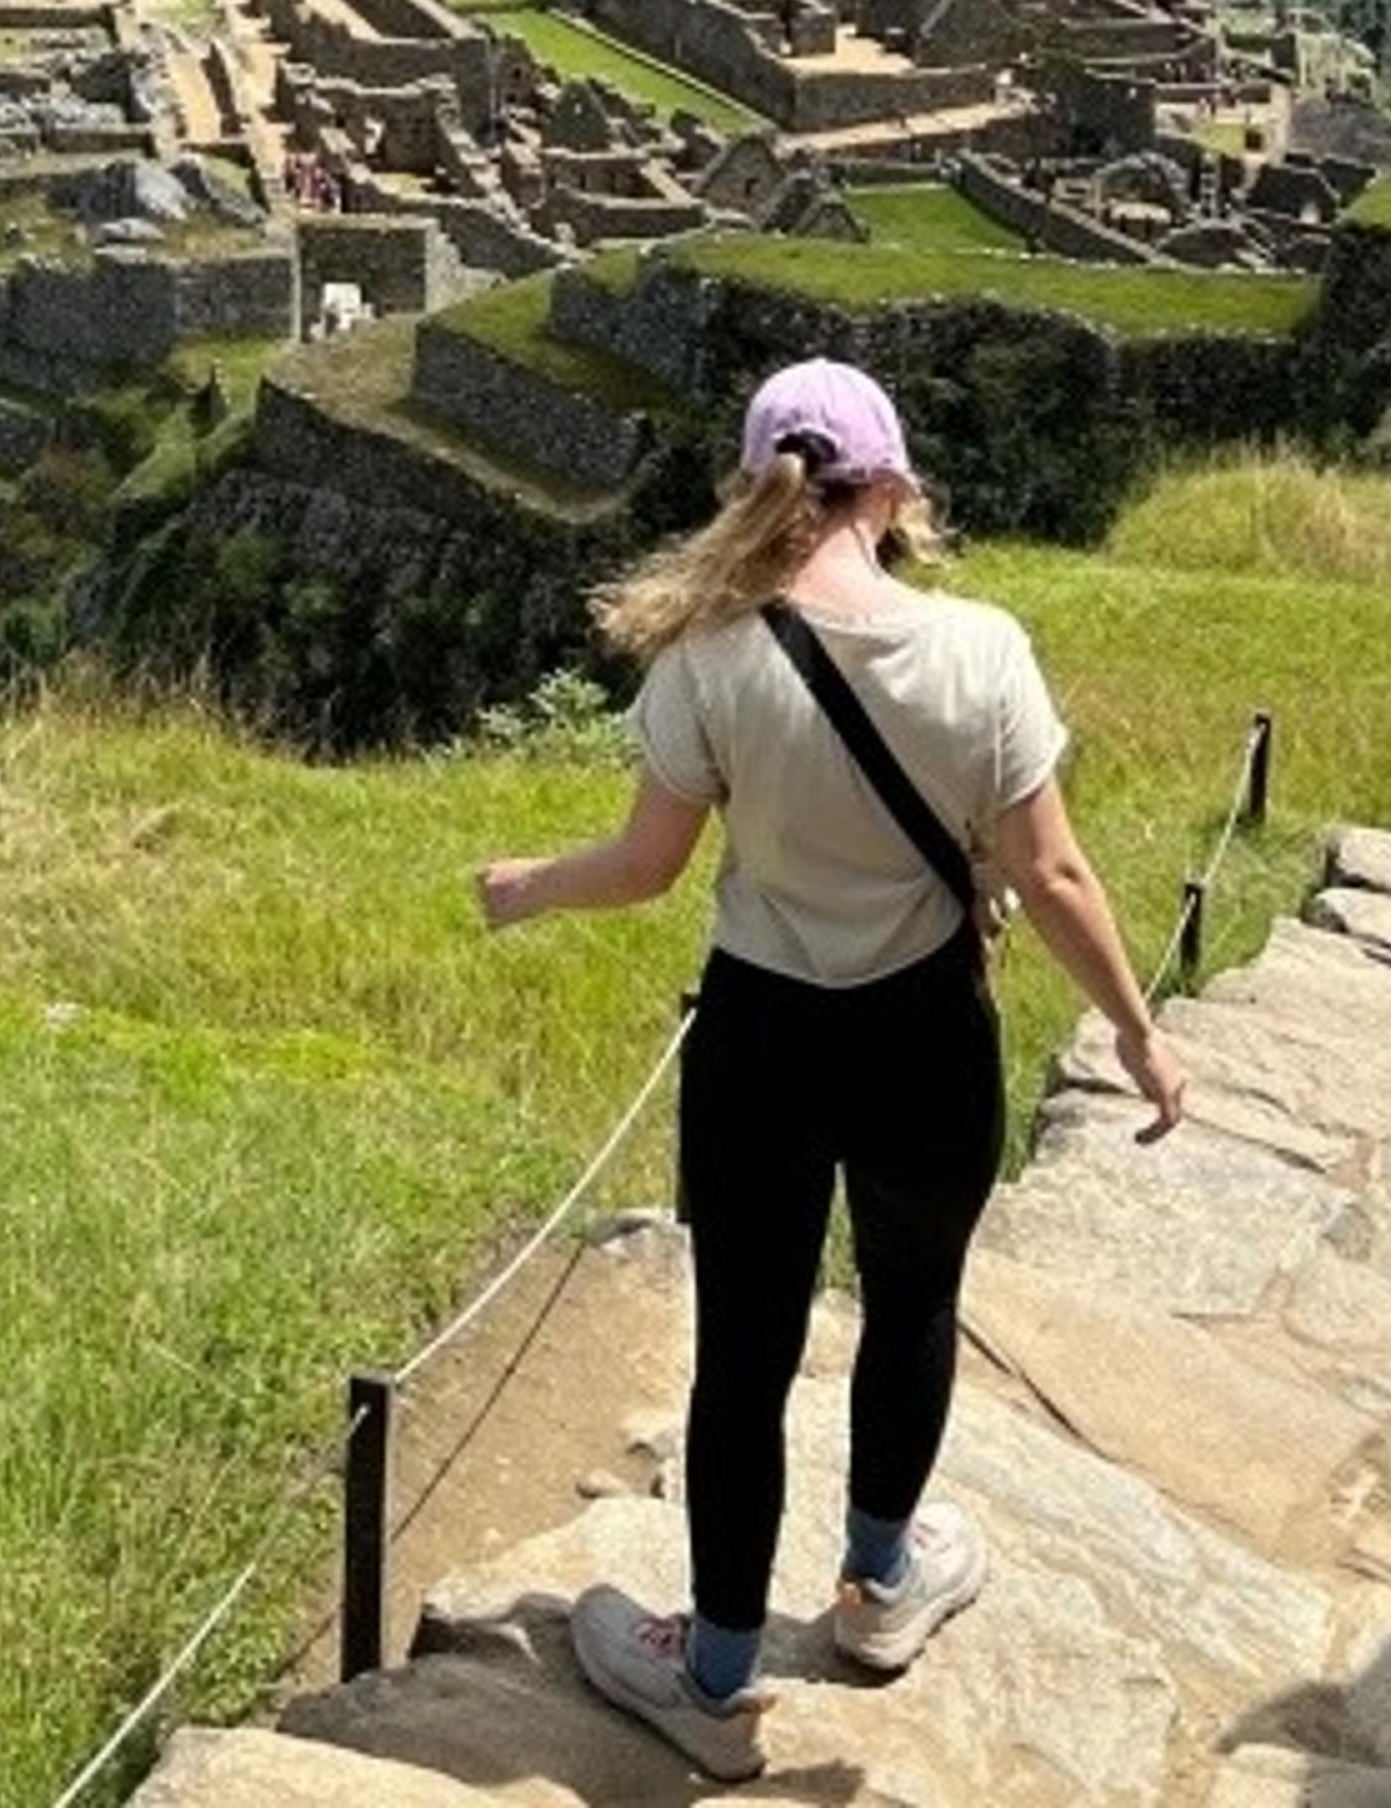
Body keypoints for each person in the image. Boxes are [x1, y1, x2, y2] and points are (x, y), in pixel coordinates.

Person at [475, 357, 1186, 1781]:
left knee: (744, 1352)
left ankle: (719, 1669)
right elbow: (1047, 870)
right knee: (915, 1300)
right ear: (893, 488)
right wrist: (1135, 1028)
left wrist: (525, 886)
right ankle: (878, 1586)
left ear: (760, 486)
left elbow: (647, 865)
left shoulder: (711, 658)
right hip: (928, 1025)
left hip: (764, 1035)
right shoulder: (981, 648)